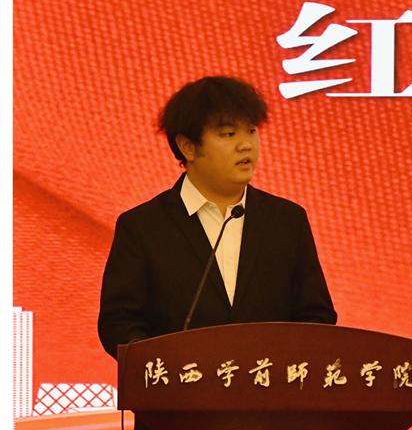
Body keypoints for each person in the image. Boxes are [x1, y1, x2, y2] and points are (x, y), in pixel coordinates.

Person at [98, 75, 337, 359]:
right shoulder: (143, 227)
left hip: (268, 383)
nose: (246, 145)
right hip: (180, 385)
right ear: (188, 147)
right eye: (228, 134)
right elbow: (119, 324)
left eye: (251, 131)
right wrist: (166, 367)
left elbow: (316, 317)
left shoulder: (287, 221)